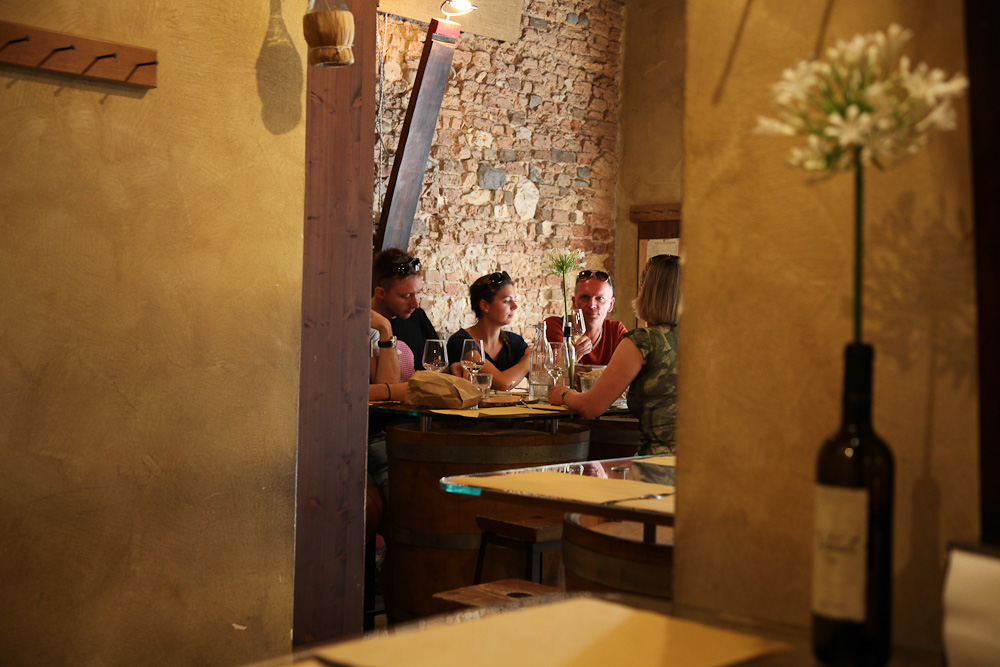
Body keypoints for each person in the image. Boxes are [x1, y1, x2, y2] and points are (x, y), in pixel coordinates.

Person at [549, 255, 679, 455]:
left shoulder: (642, 341)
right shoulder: (702, 341)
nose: (592, 304)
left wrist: (564, 394)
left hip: (657, 462)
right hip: (703, 463)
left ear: (645, 292)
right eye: (585, 297)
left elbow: (591, 407)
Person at [447, 270, 533, 390]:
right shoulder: (462, 342)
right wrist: (530, 358)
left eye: (515, 300)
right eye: (507, 301)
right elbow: (503, 384)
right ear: (485, 306)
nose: (515, 306)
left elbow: (542, 378)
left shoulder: (514, 341)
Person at [372, 248, 439, 372]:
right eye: (406, 296)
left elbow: (439, 365)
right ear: (381, 293)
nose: (415, 304)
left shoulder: (418, 316)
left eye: (418, 293)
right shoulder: (363, 325)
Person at [545, 269, 628, 365]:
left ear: (610, 305)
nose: (592, 304)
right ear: (574, 302)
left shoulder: (616, 331)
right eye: (585, 297)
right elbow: (553, 370)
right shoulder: (557, 327)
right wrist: (572, 356)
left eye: (599, 298)